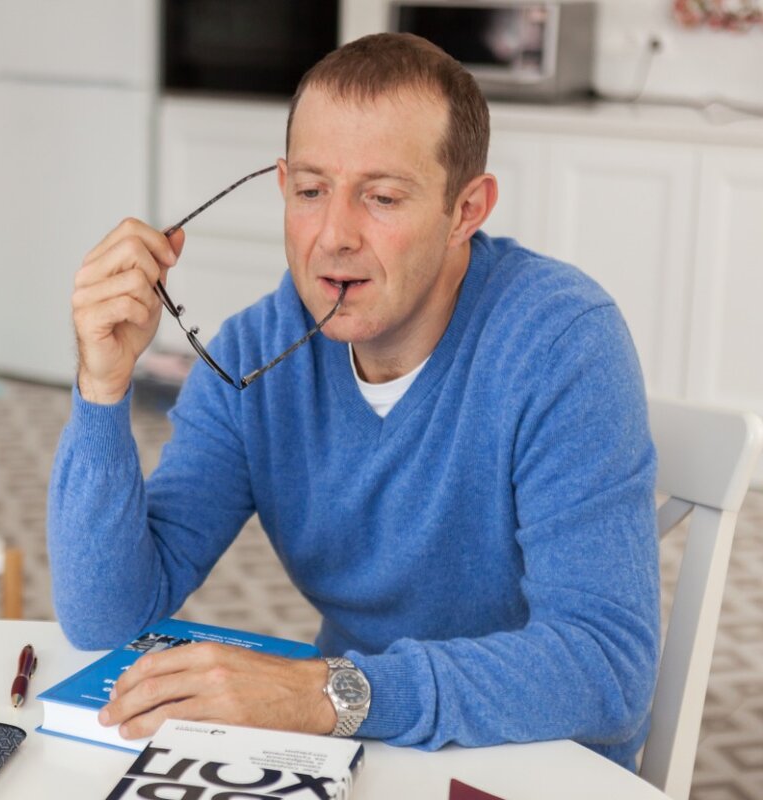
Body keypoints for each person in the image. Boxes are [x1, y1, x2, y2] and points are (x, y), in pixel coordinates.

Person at [48, 32, 659, 769]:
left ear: (466, 209)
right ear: (281, 188)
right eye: (310, 191)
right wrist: (102, 387)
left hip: (537, 760)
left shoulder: (563, 341)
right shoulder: (250, 354)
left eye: (382, 197)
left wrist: (325, 696)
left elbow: (605, 669)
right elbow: (104, 614)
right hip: (361, 744)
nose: (333, 236)